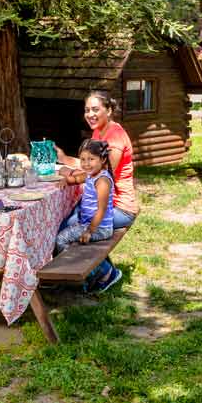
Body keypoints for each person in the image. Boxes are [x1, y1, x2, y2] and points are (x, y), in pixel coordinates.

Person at [58, 90, 139, 291]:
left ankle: (104, 272)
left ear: (109, 110)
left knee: (66, 229)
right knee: (62, 223)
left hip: (120, 208)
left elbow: (98, 172)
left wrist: (69, 171)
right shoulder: (98, 133)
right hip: (103, 204)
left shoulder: (115, 138)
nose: (90, 114)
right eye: (87, 110)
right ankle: (67, 275)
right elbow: (89, 165)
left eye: (96, 109)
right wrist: (65, 160)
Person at [54, 139, 115, 255]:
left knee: (61, 239)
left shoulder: (102, 181)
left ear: (102, 159)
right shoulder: (90, 175)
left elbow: (101, 210)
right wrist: (66, 180)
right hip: (88, 224)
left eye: (91, 159)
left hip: (99, 228)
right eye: (83, 159)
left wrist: (89, 231)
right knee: (63, 228)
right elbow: (77, 179)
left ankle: (73, 267)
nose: (86, 164)